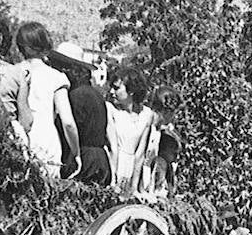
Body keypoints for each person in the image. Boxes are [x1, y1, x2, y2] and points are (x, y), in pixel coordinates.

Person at [15, 22, 81, 178]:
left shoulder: (13, 72)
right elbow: (68, 122)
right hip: (46, 141)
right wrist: (76, 152)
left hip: (18, 138)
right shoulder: (56, 77)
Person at [48, 42, 110, 186]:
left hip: (83, 161)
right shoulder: (95, 94)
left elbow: (69, 128)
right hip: (100, 160)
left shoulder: (75, 96)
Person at [106, 65, 153, 192]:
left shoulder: (146, 115)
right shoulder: (110, 110)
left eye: (116, 88)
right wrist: (113, 181)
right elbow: (113, 148)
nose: (111, 92)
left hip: (132, 169)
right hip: (113, 166)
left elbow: (140, 154)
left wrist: (134, 187)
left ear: (131, 90)